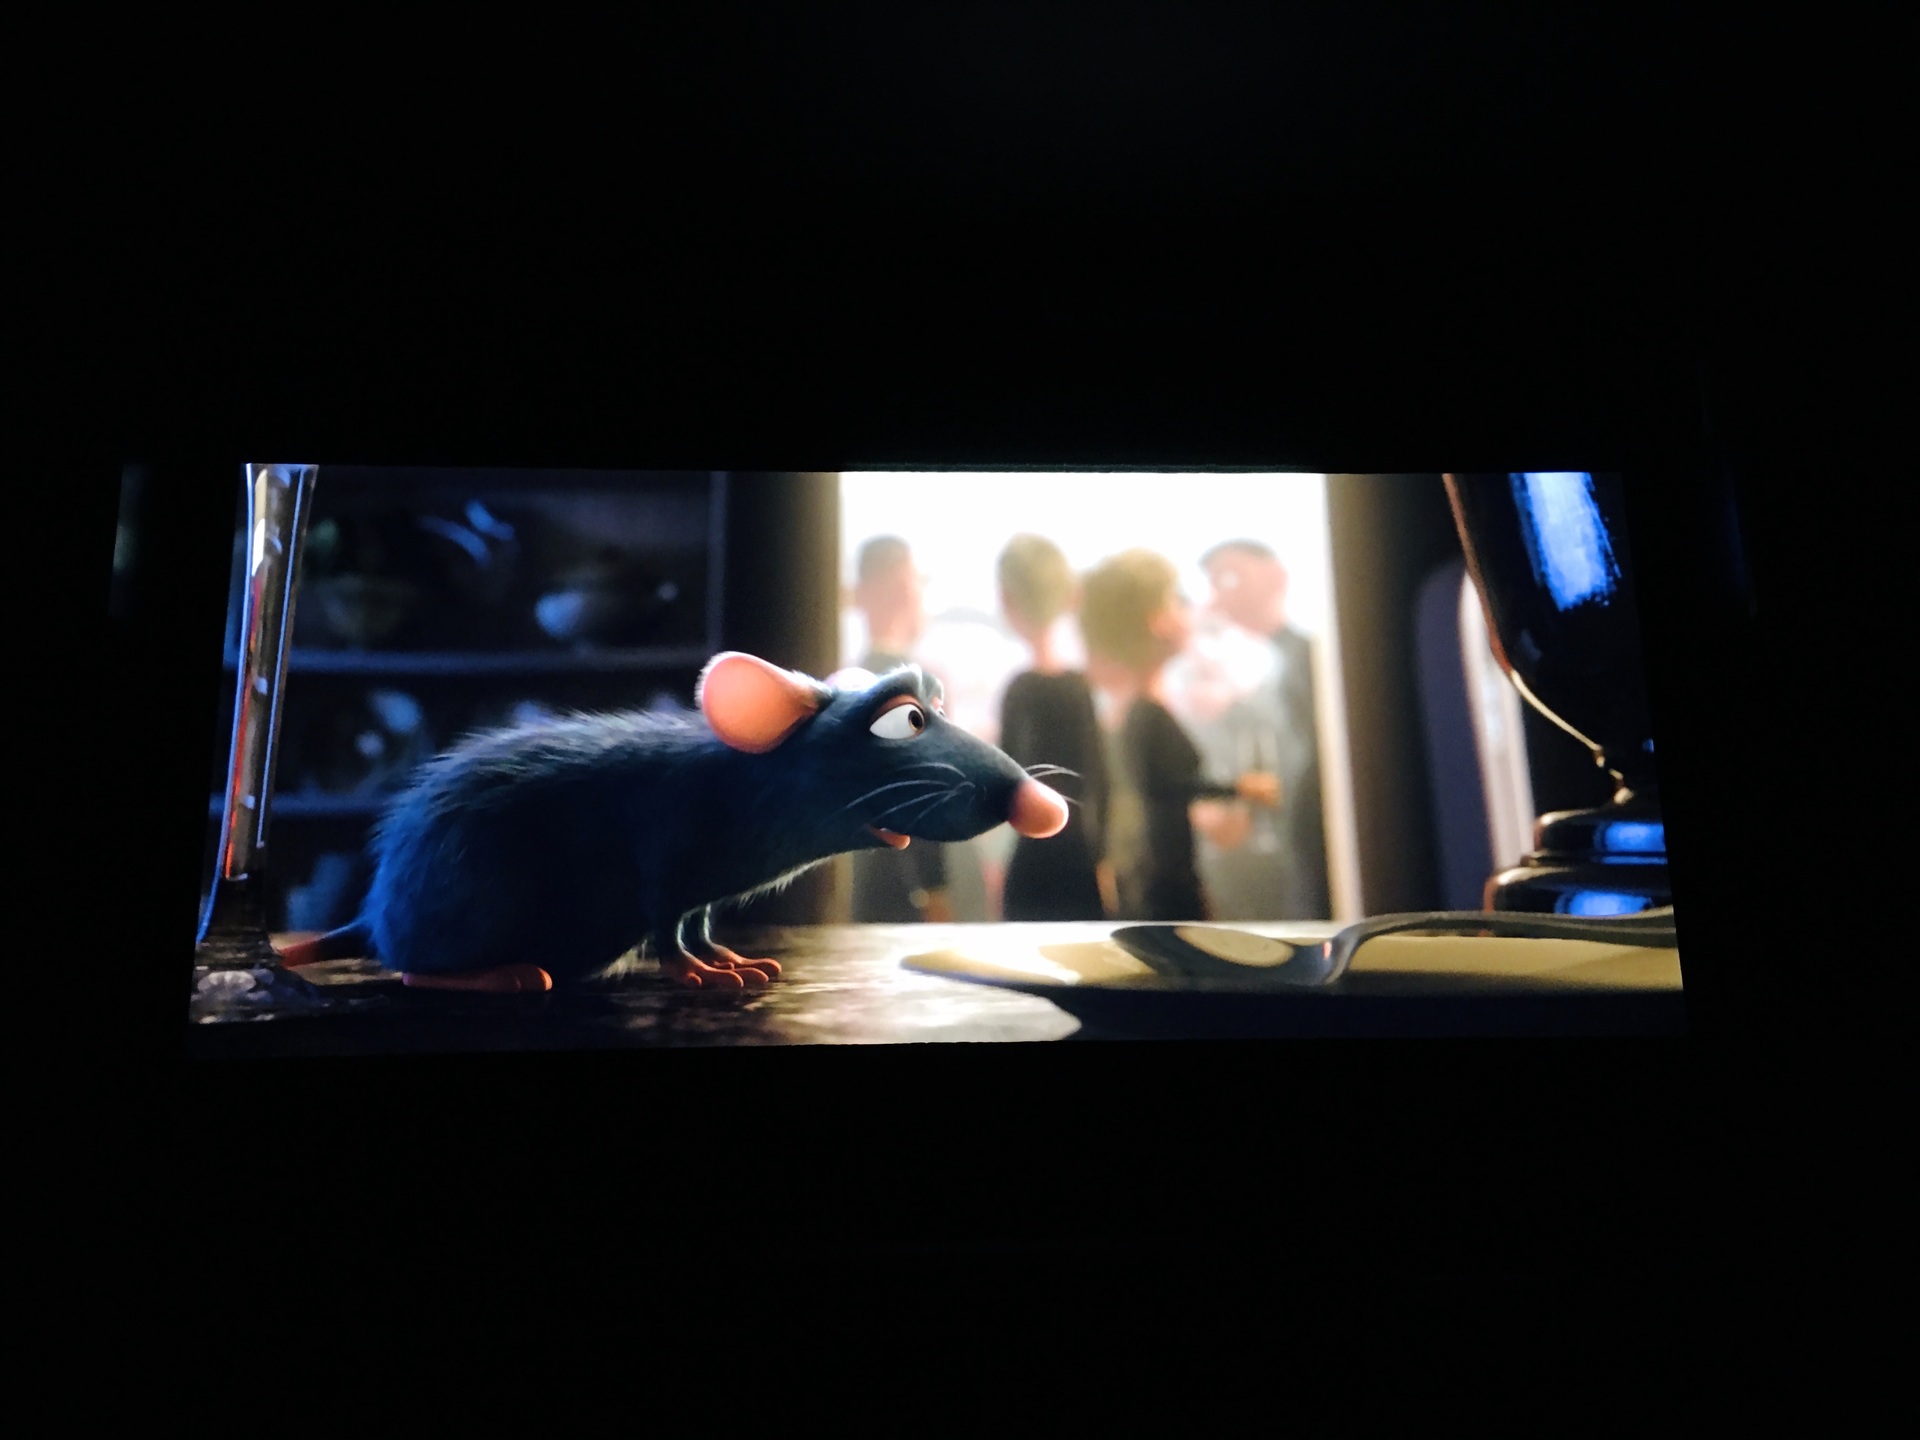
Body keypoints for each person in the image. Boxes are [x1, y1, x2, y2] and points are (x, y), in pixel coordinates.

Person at [1078, 549, 1279, 922]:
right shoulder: (1145, 713)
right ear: (1157, 620)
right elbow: (1174, 785)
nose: (1189, 612)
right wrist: (1242, 789)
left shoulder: (1133, 712)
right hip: (1162, 876)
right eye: (1177, 600)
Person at [1200, 539, 1332, 918]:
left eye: (1230, 578)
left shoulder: (1309, 655)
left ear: (1277, 576)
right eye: (1213, 584)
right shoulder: (1247, 670)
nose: (1219, 597)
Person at [994, 535, 1111, 920]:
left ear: (1008, 599)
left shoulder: (1019, 690)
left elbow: (1005, 781)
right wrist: (1103, 859)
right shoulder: (1079, 688)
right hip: (1079, 857)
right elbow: (1099, 780)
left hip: (1032, 856)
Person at [846, 536, 953, 923]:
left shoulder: (848, 684)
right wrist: (934, 889)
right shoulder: (919, 687)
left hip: (859, 884)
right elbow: (927, 793)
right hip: (907, 890)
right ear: (903, 585)